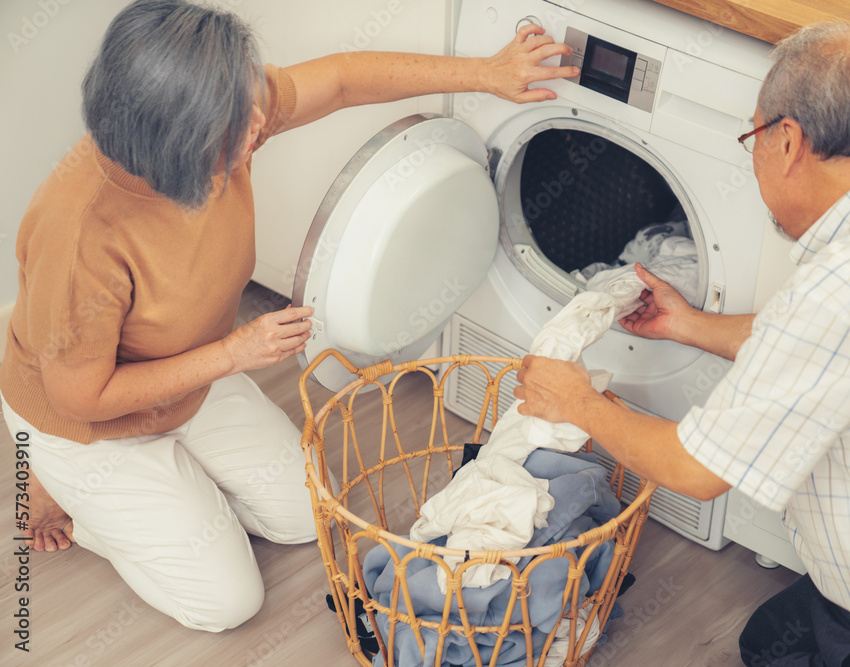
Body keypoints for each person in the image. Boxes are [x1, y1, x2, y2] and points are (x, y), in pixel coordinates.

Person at [0, 0, 577, 632]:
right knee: (225, 604)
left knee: (306, 518)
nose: (259, 123)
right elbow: (82, 395)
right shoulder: (82, 236)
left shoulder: (214, 116)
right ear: (176, 143)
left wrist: (485, 73)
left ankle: (161, 490)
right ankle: (68, 487)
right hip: (85, 415)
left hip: (184, 376)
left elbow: (341, 80)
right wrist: (233, 355)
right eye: (237, 122)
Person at [515, 21, 850, 666]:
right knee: (767, 643)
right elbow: (814, 348)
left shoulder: (843, 287)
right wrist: (686, 323)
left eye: (753, 136)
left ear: (789, 139)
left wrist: (578, 402)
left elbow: (697, 471)